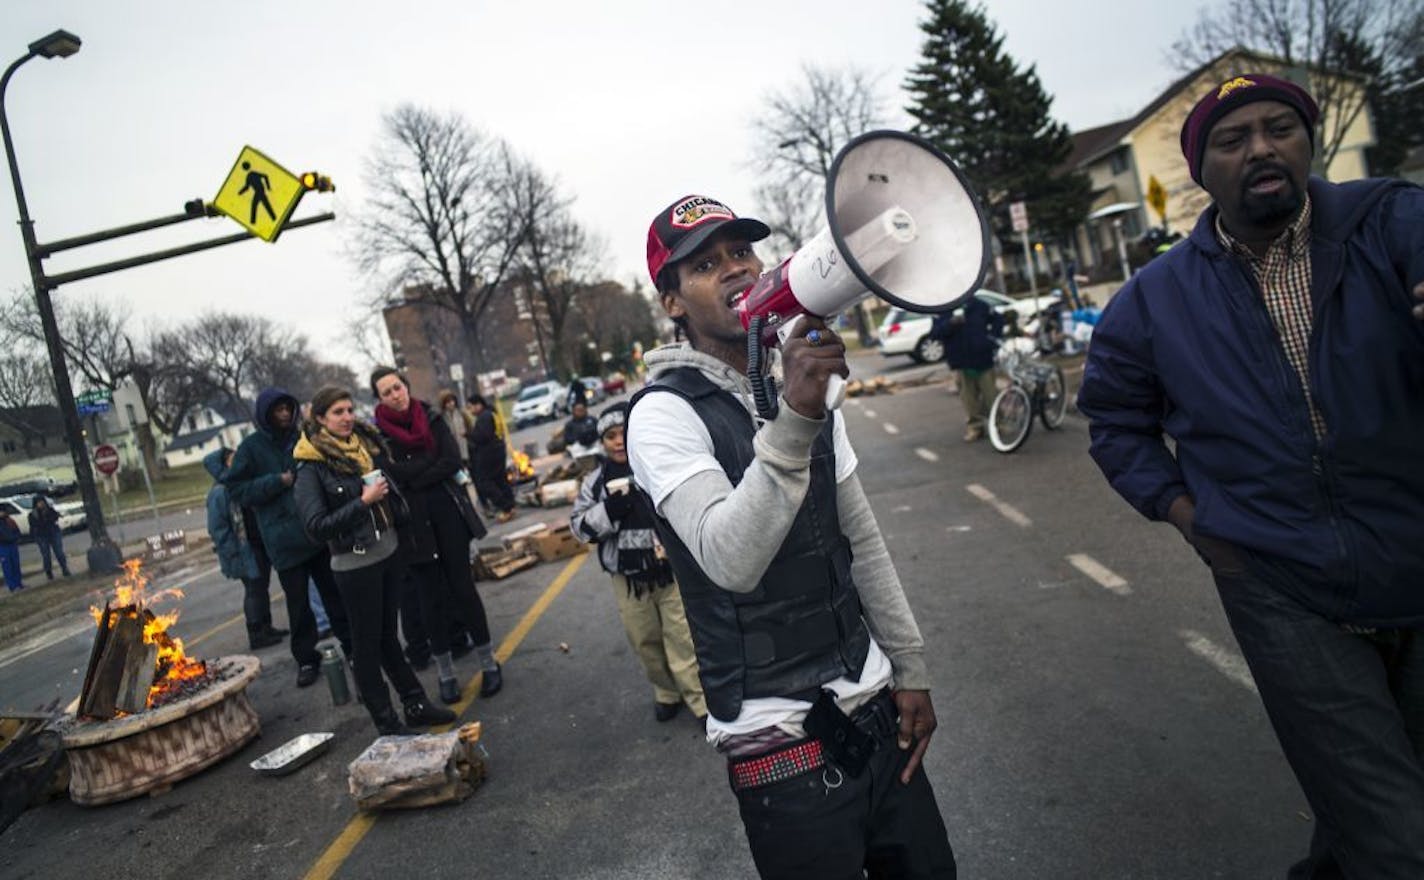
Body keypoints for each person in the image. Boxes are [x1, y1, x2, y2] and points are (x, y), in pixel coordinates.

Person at [1076, 72, 1424, 877]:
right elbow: (1116, 422)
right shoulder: (1154, 299)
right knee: (1395, 832)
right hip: (1280, 584)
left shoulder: (1392, 221)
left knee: (1381, 803)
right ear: (1203, 171)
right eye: (1233, 140)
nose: (1261, 148)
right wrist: (1186, 513)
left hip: (1414, 550)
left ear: (1306, 142)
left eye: (1280, 128)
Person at [626, 194, 955, 878]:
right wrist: (797, 418)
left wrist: (910, 665)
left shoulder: (792, 375)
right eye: (705, 264)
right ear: (672, 303)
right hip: (780, 752)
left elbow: (857, 535)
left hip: (876, 714)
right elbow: (728, 558)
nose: (733, 269)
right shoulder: (662, 416)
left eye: (741, 252)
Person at [293, 386, 457, 735]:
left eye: (350, 410)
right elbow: (315, 528)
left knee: (387, 638)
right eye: (337, 412)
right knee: (367, 646)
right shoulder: (311, 467)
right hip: (354, 567)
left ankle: (414, 703)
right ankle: (386, 721)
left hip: (388, 554)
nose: (347, 417)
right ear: (319, 418)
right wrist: (364, 502)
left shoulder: (363, 447)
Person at [371, 367, 504, 702]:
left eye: (397, 387)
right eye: (386, 392)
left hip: (447, 516)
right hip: (412, 528)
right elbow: (389, 475)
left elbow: (450, 461)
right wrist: (421, 469)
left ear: (406, 386)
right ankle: (446, 675)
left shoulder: (430, 417)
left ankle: (489, 664)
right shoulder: (379, 436)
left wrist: (412, 475)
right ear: (379, 399)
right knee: (429, 599)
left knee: (463, 590)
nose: (394, 395)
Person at [570, 402, 705, 723]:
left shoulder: (655, 465)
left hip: (669, 572)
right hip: (628, 580)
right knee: (645, 641)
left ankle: (699, 700)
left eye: (624, 433)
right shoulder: (596, 482)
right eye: (610, 436)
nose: (618, 441)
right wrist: (609, 512)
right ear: (602, 442)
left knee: (683, 639)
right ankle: (666, 693)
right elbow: (578, 526)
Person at [226, 387, 352, 688]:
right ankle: (307, 660)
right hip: (283, 543)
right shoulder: (251, 448)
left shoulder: (302, 438)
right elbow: (236, 489)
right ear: (265, 415)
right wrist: (276, 482)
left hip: (318, 533)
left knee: (336, 596)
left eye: (287, 409)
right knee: (298, 607)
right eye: (277, 410)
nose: (284, 415)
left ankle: (352, 647)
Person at [204, 448, 287, 650]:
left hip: (257, 545)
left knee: (261, 587)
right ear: (224, 464)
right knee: (253, 590)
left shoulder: (241, 484)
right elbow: (218, 528)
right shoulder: (220, 492)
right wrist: (233, 552)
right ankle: (256, 633)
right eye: (233, 459)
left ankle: (267, 627)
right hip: (243, 550)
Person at [931, 296, 1003, 442]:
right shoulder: (942, 309)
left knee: (991, 394)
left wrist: (992, 339)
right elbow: (935, 333)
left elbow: (998, 319)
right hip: (961, 361)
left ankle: (998, 423)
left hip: (983, 358)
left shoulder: (979, 304)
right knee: (969, 398)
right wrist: (950, 324)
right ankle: (975, 427)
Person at [466, 394, 516, 524]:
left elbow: (483, 436)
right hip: (498, 450)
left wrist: (469, 435)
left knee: (484, 482)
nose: (470, 411)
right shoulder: (491, 413)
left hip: (489, 453)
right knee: (500, 479)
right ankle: (510, 505)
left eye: (471, 407)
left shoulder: (484, 417)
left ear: (478, 405)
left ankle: (505, 506)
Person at [26, 496, 70, 580]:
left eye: (42, 502)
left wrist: (50, 516)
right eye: (39, 502)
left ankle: (64, 568)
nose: (41, 504)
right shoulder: (33, 514)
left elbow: (55, 518)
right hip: (41, 535)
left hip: (53, 533)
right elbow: (34, 525)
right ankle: (48, 571)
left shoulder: (49, 510)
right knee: (46, 555)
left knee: (59, 552)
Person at [437, 389, 473, 466]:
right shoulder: (441, 418)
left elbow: (470, 428)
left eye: (452, 401)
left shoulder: (462, 414)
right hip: (451, 451)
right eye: (447, 402)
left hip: (466, 449)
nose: (451, 404)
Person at [0, 509, 21, 592]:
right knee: (7, 566)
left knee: (15, 564)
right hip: (2, 546)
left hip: (12, 544)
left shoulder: (10, 521)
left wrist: (15, 538)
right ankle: (12, 586)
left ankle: (18, 583)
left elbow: (17, 530)